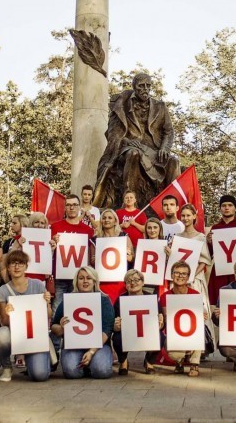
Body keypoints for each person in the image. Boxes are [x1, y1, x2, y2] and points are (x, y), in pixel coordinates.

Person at [93, 72, 181, 208]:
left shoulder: (160, 107)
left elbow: (168, 131)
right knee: (133, 153)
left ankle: (175, 206)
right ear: (134, 87)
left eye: (148, 86)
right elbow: (113, 134)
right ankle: (128, 201)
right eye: (141, 86)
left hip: (153, 151)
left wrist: (164, 148)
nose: (145, 89)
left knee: (174, 161)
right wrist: (126, 141)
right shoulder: (122, 105)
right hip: (128, 147)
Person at [0, 249, 53, 382]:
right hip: (15, 333)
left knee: (39, 375)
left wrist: (46, 303)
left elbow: (48, 315)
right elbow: (4, 322)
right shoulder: (3, 291)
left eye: (20, 263)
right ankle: (7, 367)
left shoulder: (37, 285)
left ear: (26, 266)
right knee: (1, 335)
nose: (17, 266)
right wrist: (9, 312)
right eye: (13, 263)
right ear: (8, 268)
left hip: (34, 335)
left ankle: (32, 362)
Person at [50, 266, 115, 379]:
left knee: (101, 371)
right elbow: (53, 326)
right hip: (73, 345)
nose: (85, 281)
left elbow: (107, 330)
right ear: (76, 281)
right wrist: (61, 328)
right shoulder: (69, 299)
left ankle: (91, 363)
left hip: (99, 345)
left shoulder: (104, 300)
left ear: (94, 281)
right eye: (81, 278)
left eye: (89, 278)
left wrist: (91, 352)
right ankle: (86, 367)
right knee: (71, 372)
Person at [50, 194, 96, 313]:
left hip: (80, 277)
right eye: (68, 205)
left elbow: (91, 255)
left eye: (74, 205)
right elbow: (47, 253)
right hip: (60, 276)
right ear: (65, 208)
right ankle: (56, 330)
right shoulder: (55, 227)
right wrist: (52, 244)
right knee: (57, 307)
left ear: (79, 207)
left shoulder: (88, 230)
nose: (71, 208)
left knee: (77, 307)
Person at [160, 261, 206, 377]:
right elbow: (166, 319)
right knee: (173, 354)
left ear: (188, 277)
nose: (180, 276)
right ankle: (179, 362)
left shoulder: (195, 295)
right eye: (177, 273)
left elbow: (200, 317)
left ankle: (194, 363)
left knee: (200, 330)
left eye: (184, 274)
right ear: (171, 275)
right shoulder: (165, 297)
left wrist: (202, 316)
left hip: (192, 331)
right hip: (175, 332)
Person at [112, 268, 162, 375]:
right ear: (125, 284)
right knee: (116, 338)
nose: (133, 283)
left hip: (147, 332)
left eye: (136, 280)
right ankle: (123, 362)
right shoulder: (120, 300)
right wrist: (116, 326)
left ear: (143, 282)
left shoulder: (152, 298)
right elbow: (114, 324)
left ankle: (149, 362)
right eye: (129, 281)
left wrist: (160, 324)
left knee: (161, 337)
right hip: (127, 332)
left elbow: (162, 323)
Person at [95, 209, 135, 303]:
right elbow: (91, 261)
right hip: (102, 281)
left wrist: (127, 255)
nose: (106, 220)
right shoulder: (96, 238)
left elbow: (132, 258)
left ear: (115, 221)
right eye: (104, 218)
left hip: (120, 280)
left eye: (110, 218)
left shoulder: (124, 236)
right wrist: (95, 258)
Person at [0, 214, 31, 283]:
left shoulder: (31, 241)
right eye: (11, 223)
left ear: (23, 224)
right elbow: (3, 262)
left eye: (14, 223)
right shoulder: (8, 242)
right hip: (10, 280)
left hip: (27, 280)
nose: (11, 225)